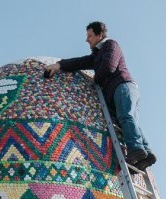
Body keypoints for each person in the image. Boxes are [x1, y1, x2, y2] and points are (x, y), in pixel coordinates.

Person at [44, 21, 156, 171]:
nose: (87, 39)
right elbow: (79, 62)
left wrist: (95, 80)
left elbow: (109, 66)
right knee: (128, 119)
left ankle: (136, 149)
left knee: (125, 116)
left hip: (122, 86)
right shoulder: (96, 55)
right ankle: (147, 154)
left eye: (90, 36)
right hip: (117, 90)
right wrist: (59, 65)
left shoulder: (111, 45)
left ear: (100, 34)